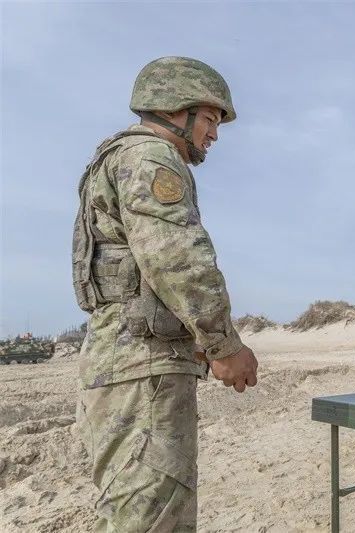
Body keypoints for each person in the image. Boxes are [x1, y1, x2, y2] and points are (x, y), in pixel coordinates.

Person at [72, 56, 259, 531]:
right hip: (144, 368)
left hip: (123, 361)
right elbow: (177, 259)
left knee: (129, 513)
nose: (213, 134)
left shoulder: (117, 157)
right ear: (175, 108)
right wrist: (223, 345)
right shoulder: (151, 158)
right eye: (210, 119)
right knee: (153, 517)